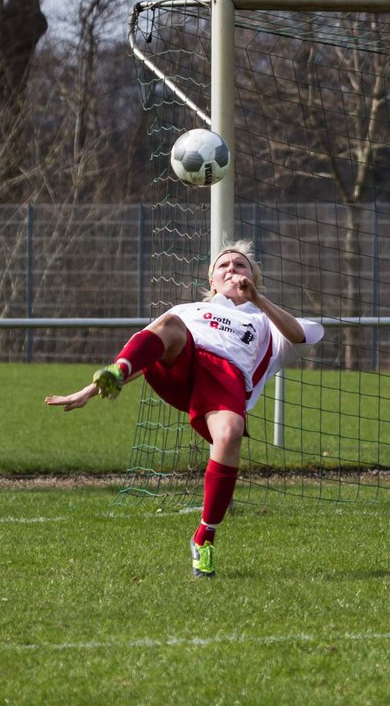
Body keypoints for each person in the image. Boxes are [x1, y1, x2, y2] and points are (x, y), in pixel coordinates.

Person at [45, 240, 323, 577]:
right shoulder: (191, 310)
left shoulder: (266, 322)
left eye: (240, 265)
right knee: (168, 323)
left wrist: (257, 300)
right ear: (212, 282)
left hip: (226, 381)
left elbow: (302, 336)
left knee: (231, 433)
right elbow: (153, 344)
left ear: (253, 277)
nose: (232, 268)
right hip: (184, 363)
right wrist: (91, 389)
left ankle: (204, 538)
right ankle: (118, 371)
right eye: (224, 265)